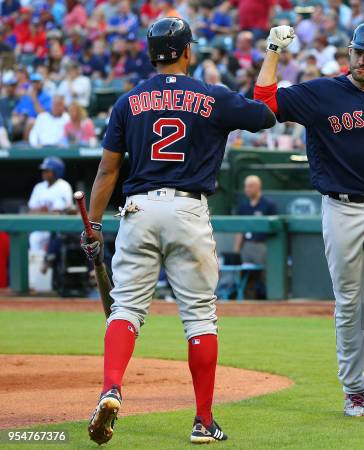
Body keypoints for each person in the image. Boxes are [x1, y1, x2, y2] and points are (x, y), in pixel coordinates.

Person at [81, 17, 275, 446]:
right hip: (188, 209)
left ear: (152, 54)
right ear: (188, 51)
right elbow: (265, 116)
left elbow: (107, 170)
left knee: (126, 309)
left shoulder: (128, 101)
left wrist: (93, 227)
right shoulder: (212, 95)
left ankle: (111, 388)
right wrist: (272, 58)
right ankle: (203, 421)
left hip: (138, 208)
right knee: (200, 318)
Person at [254, 22, 364, 420]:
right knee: (350, 304)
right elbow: (266, 100)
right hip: (341, 208)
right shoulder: (321, 93)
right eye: (355, 52)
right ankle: (354, 389)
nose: (359, 59)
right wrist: (272, 50)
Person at [28, 157, 74, 254]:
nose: (44, 172)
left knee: (37, 238)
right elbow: (31, 210)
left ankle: (45, 265)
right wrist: (43, 212)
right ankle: (38, 267)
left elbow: (60, 212)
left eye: (47, 170)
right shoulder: (39, 187)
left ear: (56, 171)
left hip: (59, 229)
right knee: (34, 237)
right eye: (43, 170)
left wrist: (43, 212)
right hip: (41, 227)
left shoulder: (64, 186)